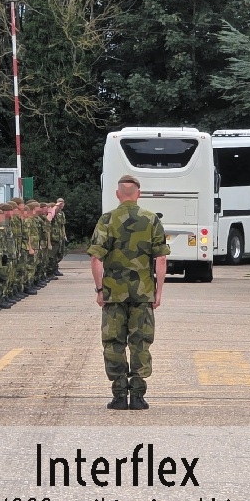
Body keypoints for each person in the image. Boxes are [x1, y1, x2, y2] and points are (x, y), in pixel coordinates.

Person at [87, 174, 170, 411]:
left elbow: (95, 257)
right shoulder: (151, 219)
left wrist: (100, 289)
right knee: (140, 343)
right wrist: (158, 291)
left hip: (114, 293)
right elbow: (161, 258)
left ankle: (119, 395)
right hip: (142, 293)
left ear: (117, 195)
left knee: (113, 342)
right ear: (138, 194)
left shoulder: (107, 220)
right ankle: (138, 396)